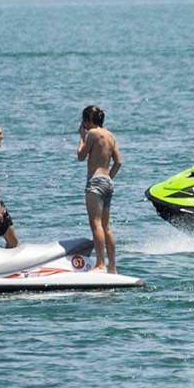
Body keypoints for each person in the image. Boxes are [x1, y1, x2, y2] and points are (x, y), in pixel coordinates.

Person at [77, 105, 121, 274]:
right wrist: (108, 177)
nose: (83, 124)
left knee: (95, 224)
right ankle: (112, 267)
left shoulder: (93, 134)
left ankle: (100, 264)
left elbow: (80, 156)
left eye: (84, 121)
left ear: (89, 120)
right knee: (106, 225)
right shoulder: (111, 136)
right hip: (108, 182)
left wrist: (82, 137)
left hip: (95, 181)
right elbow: (118, 162)